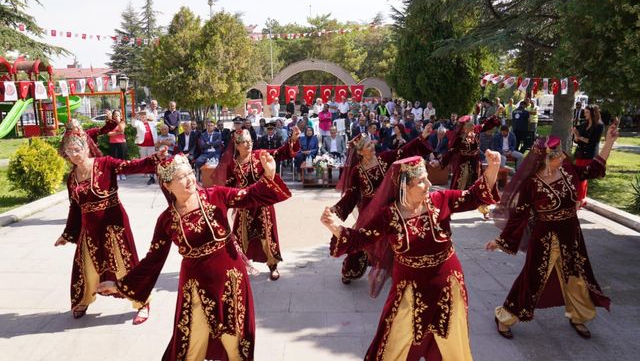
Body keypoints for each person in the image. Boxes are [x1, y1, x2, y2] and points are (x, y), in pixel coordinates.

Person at [98, 152, 291, 360]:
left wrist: (269, 175)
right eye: (181, 177)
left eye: (190, 172)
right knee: (190, 341)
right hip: (194, 287)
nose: (190, 179)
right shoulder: (167, 220)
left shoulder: (216, 196)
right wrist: (120, 285)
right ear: (168, 184)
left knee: (236, 340)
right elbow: (152, 260)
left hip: (231, 280)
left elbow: (250, 195)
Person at [321, 153, 500, 360]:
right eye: (421, 181)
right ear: (404, 187)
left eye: (427, 177)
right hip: (409, 288)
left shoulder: (440, 200)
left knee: (451, 336)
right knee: (396, 339)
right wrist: (334, 227)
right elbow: (361, 239)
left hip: (448, 283)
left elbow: (472, 197)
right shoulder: (388, 216)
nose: (429, 183)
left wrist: (492, 170)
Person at [487, 126, 619, 340]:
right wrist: (500, 241)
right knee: (532, 279)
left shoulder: (568, 170)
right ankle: (504, 317)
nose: (563, 155)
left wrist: (610, 143)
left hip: (571, 235)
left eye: (561, 152)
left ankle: (578, 316)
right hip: (546, 239)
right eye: (557, 154)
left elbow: (592, 170)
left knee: (576, 277)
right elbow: (519, 216)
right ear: (545, 159)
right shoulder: (532, 184)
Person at [55, 121, 167, 323]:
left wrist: (154, 159)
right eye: (69, 151)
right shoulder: (72, 178)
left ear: (87, 147)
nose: (73, 154)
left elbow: (131, 166)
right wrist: (67, 233)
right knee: (85, 266)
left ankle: (142, 302)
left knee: (125, 264)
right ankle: (83, 299)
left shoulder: (105, 164)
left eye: (77, 149)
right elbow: (74, 207)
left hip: (113, 225)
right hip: (89, 229)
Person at [331, 125, 434, 285]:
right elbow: (352, 193)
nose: (372, 147)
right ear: (360, 152)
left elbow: (403, 152)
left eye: (371, 143)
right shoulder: (356, 171)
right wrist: (337, 208)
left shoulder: (384, 158)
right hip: (368, 210)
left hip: (387, 207)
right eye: (368, 146)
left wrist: (422, 137)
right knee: (362, 240)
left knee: (394, 239)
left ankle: (399, 272)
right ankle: (349, 271)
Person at [213, 128, 300, 281]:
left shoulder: (260, 155)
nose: (248, 144)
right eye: (244, 142)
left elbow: (281, 153)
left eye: (249, 141)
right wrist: (225, 202)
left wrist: (292, 140)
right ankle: (238, 266)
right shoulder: (233, 164)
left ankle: (273, 265)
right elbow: (227, 186)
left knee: (268, 234)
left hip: (263, 203)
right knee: (240, 236)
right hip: (245, 204)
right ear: (237, 145)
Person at [440, 115, 500, 190]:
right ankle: (459, 198)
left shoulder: (474, 133)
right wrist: (441, 162)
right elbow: (451, 151)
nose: (473, 124)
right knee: (462, 180)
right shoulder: (458, 137)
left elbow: (485, 125)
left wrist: (496, 113)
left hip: (475, 162)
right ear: (464, 125)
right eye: (470, 122)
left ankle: (471, 199)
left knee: (474, 182)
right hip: (462, 163)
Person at [572, 105, 605, 207]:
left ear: (592, 113)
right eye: (584, 112)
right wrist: (576, 136)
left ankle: (580, 199)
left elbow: (593, 142)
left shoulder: (599, 126)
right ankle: (580, 199)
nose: (584, 114)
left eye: (586, 112)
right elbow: (576, 140)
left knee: (583, 177)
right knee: (579, 177)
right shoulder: (583, 124)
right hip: (580, 153)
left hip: (589, 155)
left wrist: (579, 137)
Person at [133, 110, 159, 185]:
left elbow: (155, 118)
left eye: (144, 116)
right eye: (142, 116)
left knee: (151, 160)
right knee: (144, 159)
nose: (143, 117)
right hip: (142, 145)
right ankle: (146, 171)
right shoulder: (138, 123)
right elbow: (133, 123)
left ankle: (152, 177)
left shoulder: (152, 123)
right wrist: (136, 115)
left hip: (151, 145)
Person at [107, 110, 128, 181]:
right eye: (115, 115)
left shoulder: (122, 122)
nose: (117, 116)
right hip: (113, 143)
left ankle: (122, 173)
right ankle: (116, 174)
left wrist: (118, 122)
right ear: (113, 116)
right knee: (114, 159)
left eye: (118, 115)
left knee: (122, 159)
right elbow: (109, 133)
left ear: (120, 116)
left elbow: (122, 130)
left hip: (122, 143)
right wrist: (117, 133)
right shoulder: (110, 123)